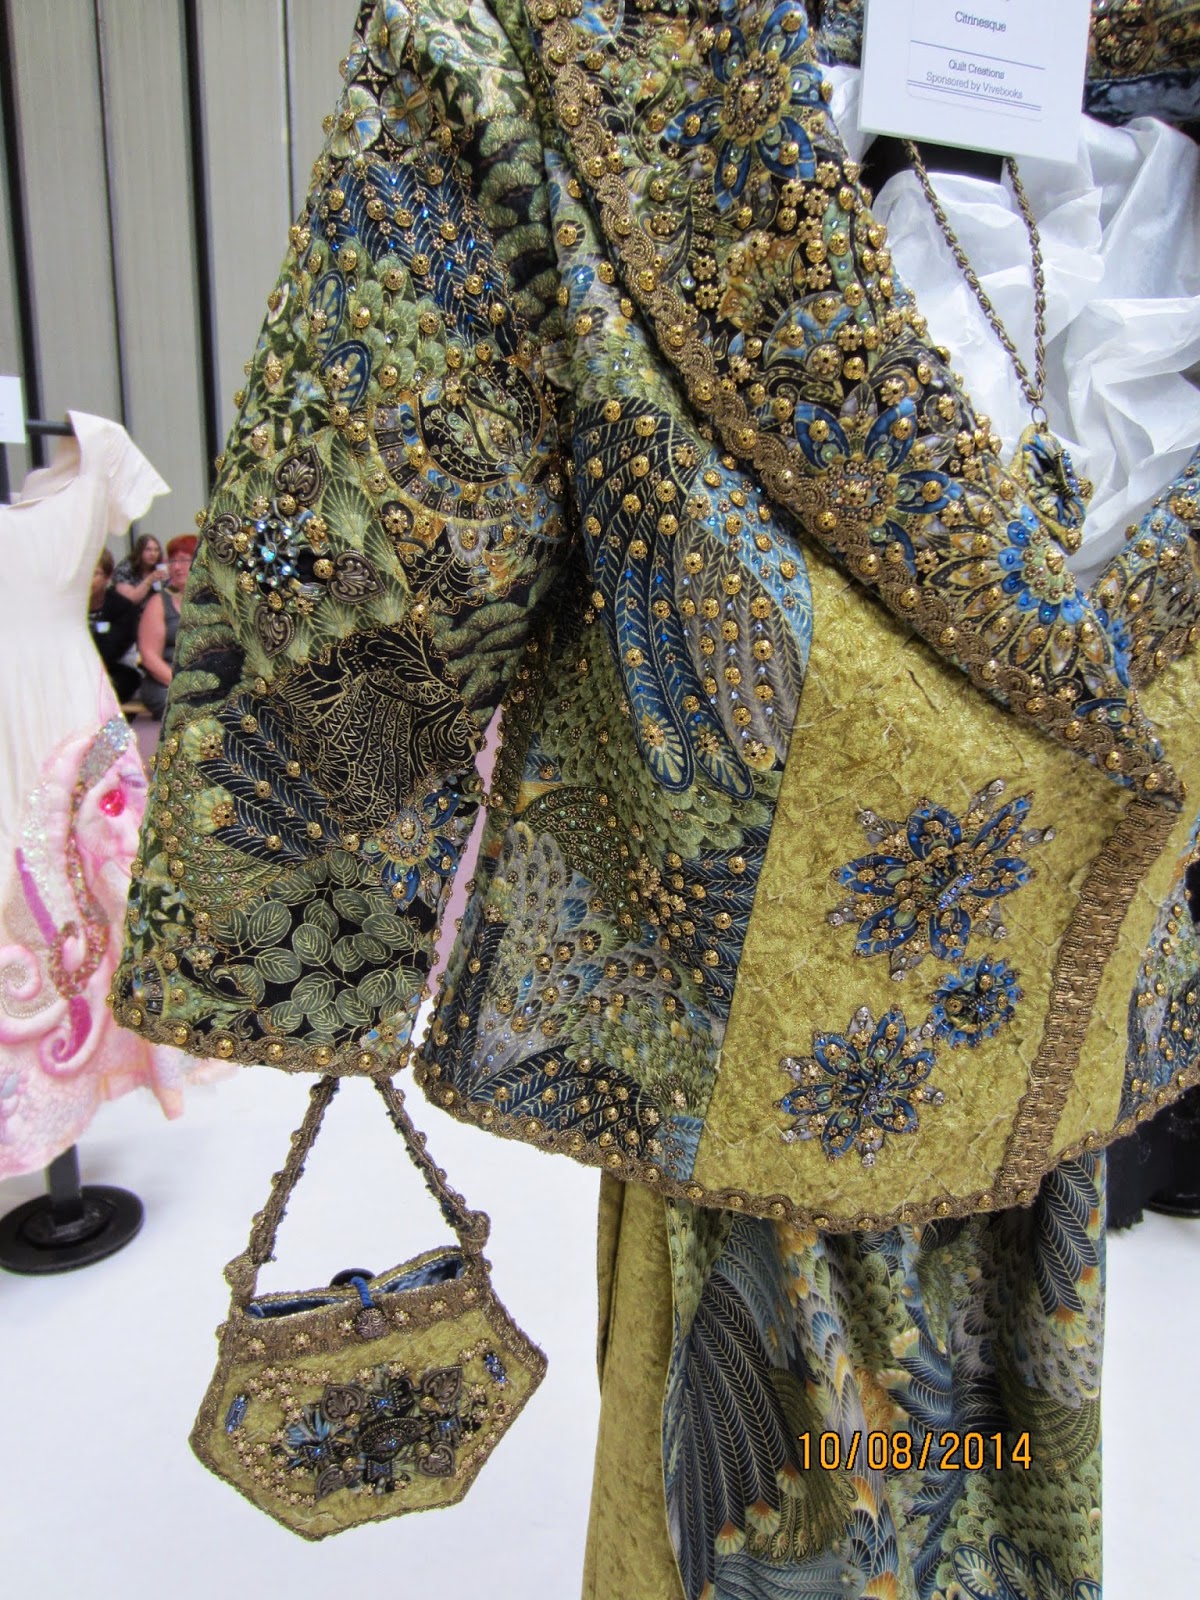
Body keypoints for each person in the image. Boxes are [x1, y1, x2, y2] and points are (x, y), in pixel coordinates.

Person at [111, 4, 1200, 1596]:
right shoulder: (559, 79)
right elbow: (378, 560)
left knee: (982, 1470)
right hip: (744, 1094)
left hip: (1052, 1064)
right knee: (770, 1514)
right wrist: (297, 931)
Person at [136, 534, 194, 718]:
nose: (176, 567)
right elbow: (149, 657)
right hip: (166, 681)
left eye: (183, 560)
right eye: (172, 561)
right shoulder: (158, 603)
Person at [87, 548, 141, 702]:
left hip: (115, 668)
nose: (89, 580)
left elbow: (112, 649)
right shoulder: (70, 607)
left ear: (108, 577)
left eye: (95, 573)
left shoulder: (122, 607)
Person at [112, 531, 166, 612]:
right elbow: (131, 599)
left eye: (156, 550)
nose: (153, 554)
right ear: (139, 551)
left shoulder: (159, 567)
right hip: (129, 614)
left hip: (155, 611)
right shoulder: (125, 569)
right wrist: (150, 579)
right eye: (148, 549)